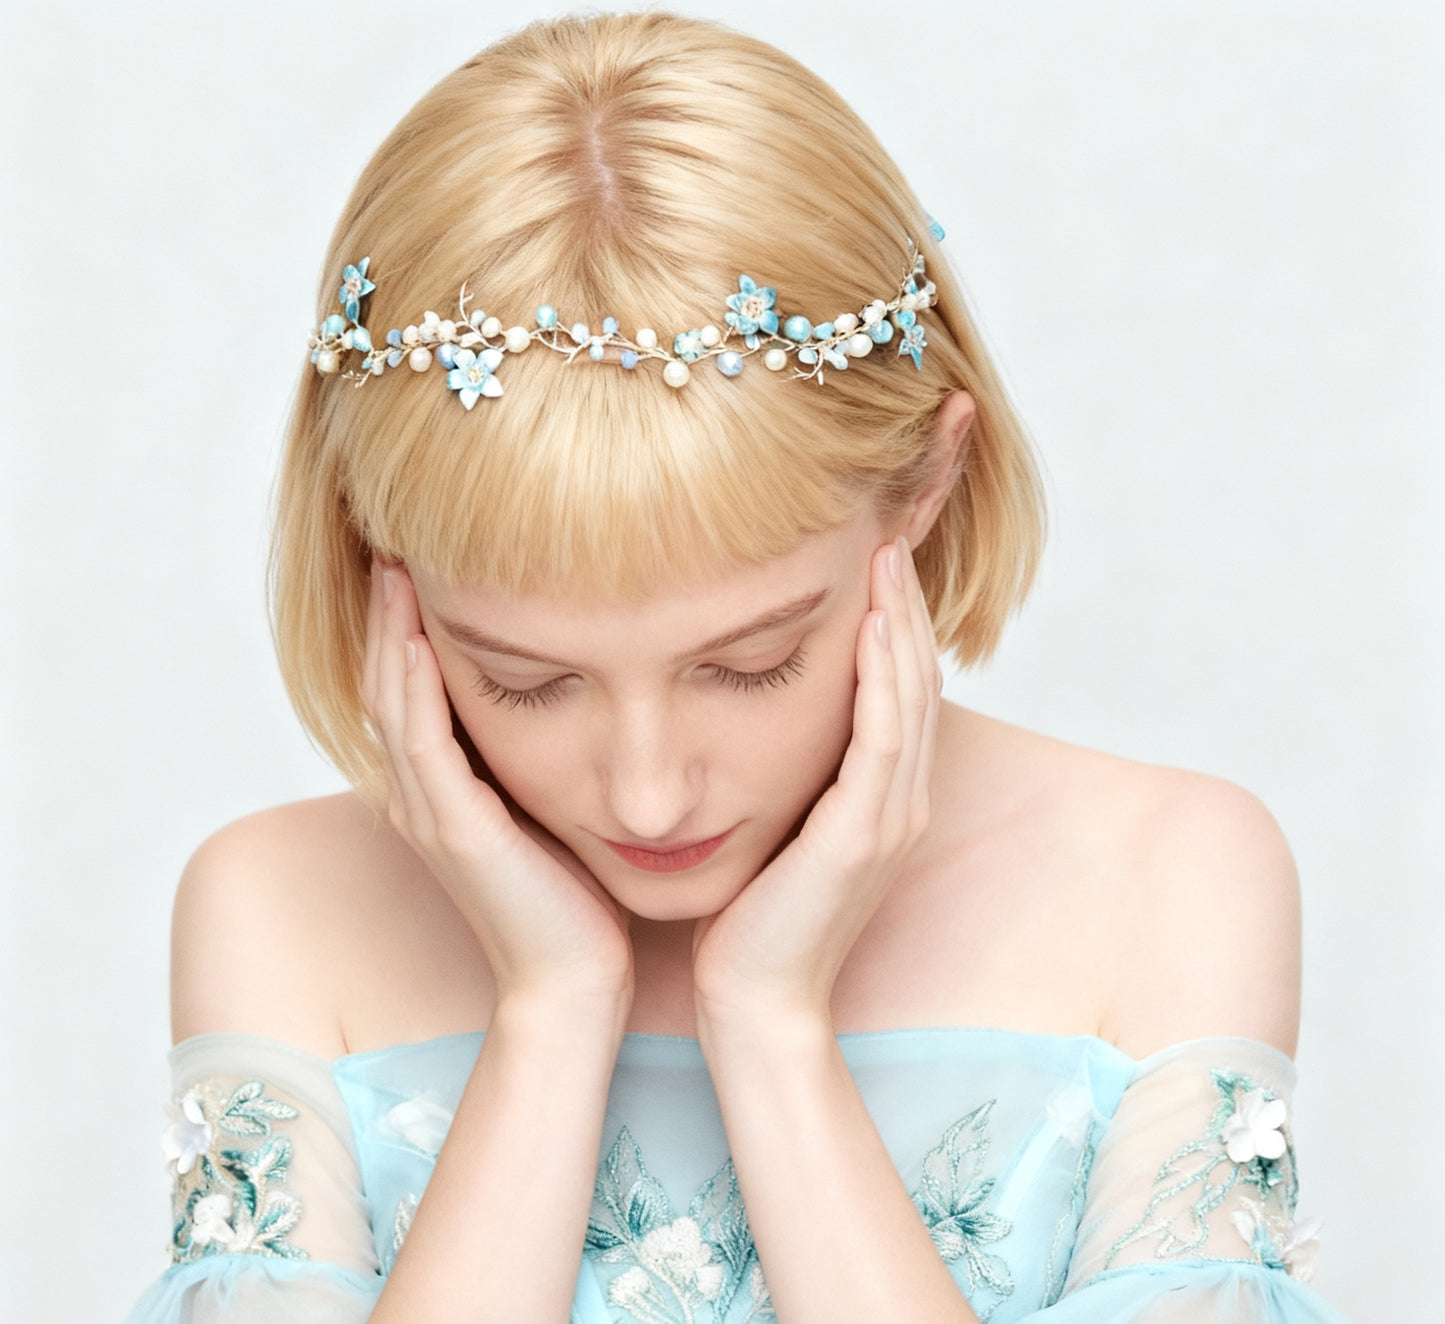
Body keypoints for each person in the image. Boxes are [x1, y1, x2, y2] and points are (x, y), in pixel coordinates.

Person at [124, 12, 1351, 1322]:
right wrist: (550, 1009)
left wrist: (770, 1026)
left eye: (751, 664)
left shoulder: (1166, 878)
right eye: (524, 680)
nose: (649, 795)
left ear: (926, 484)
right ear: (385, 565)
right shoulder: (279, 910)